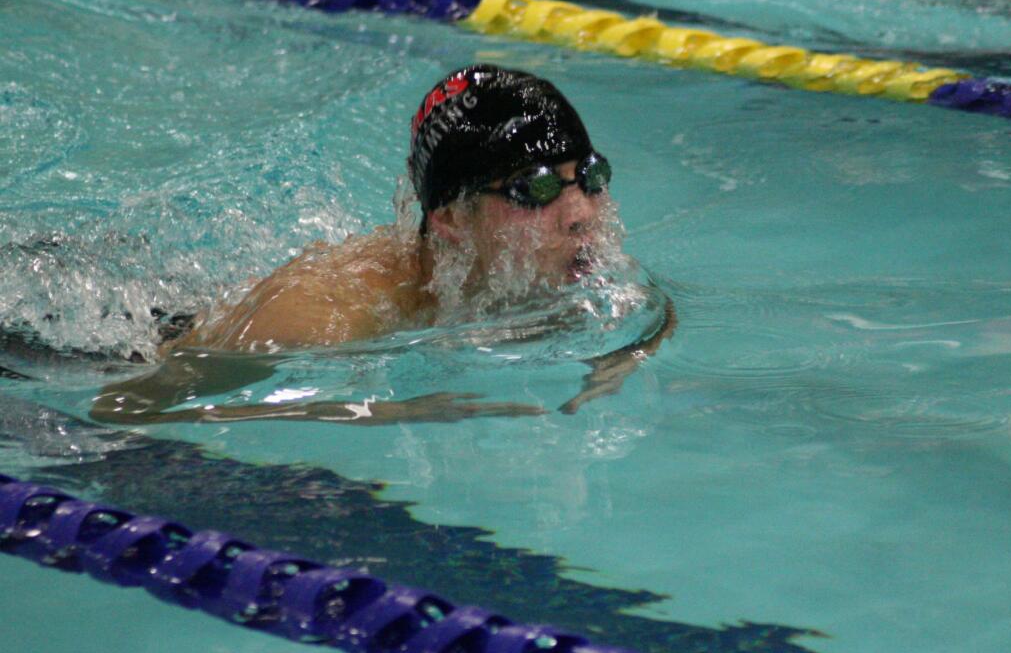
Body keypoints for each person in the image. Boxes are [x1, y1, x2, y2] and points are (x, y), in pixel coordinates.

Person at [89, 65, 674, 425]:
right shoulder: (323, 321)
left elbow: (647, 305)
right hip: (90, 350)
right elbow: (124, 408)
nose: (580, 215)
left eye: (589, 176)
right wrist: (382, 412)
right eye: (534, 189)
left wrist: (622, 355)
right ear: (449, 218)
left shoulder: (554, 258)